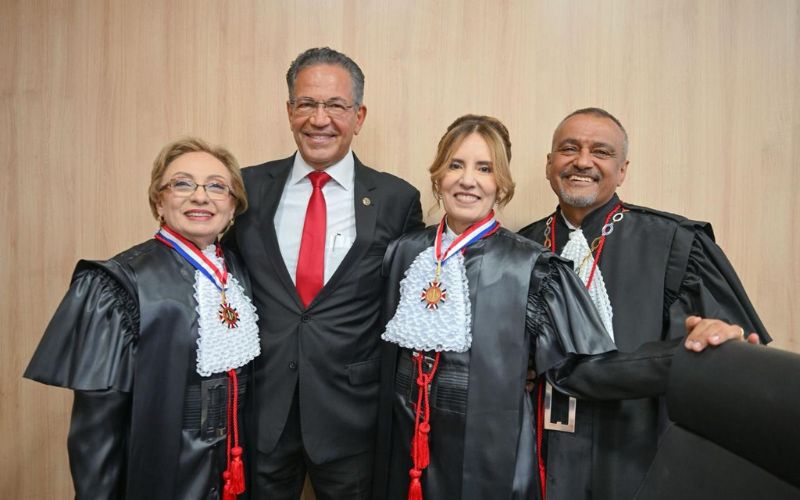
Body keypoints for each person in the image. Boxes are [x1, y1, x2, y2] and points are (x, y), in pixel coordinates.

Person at [371, 114, 748, 500]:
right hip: (408, 447)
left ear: (501, 184)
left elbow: (580, 366)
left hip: (505, 458)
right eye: (456, 165)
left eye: (484, 168)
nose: (468, 179)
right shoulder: (405, 252)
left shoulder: (529, 264)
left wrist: (684, 355)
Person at [518, 107, 770, 499]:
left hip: (634, 456)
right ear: (550, 165)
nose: (582, 161)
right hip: (536, 456)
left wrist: (715, 339)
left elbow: (730, 357)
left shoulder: (675, 244)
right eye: (570, 149)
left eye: (600, 152)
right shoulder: (519, 248)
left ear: (622, 170)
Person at [225, 47, 423, 499]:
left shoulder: (396, 199)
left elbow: (408, 305)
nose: (320, 119)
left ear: (359, 115)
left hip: (351, 414)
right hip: (263, 410)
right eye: (307, 104)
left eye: (335, 105)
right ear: (289, 110)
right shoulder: (246, 189)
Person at [24, 137, 261, 499]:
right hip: (162, 471)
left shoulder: (239, 273)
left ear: (232, 207)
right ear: (158, 201)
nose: (201, 197)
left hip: (232, 468)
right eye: (183, 184)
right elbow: (96, 430)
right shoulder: (119, 284)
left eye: (217, 186)